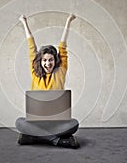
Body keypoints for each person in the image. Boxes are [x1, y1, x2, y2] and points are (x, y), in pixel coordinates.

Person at [15, 14, 80, 149]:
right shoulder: (35, 73)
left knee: (74, 123)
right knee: (19, 122)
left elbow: (62, 47)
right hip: (38, 123)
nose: (48, 63)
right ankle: (56, 140)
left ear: (55, 61)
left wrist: (68, 21)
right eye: (45, 60)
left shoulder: (61, 71)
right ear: (40, 61)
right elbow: (31, 46)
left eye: (50, 60)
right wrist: (24, 22)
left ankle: (34, 137)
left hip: (57, 123)